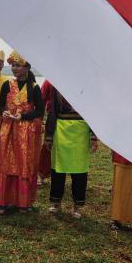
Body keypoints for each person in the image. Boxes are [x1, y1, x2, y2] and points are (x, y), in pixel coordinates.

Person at [0, 51, 44, 214]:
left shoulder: (35, 88)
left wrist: (22, 116)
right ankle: (3, 201)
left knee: (23, 164)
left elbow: (39, 112)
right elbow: (1, 106)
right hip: (8, 130)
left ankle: (23, 202)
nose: (14, 68)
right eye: (13, 65)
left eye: (18, 65)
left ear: (27, 67)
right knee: (6, 162)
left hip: (26, 132)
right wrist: (4, 112)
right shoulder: (7, 85)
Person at [45, 86, 98, 218]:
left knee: (79, 171)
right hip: (61, 129)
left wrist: (93, 136)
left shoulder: (88, 88)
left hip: (81, 131)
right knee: (58, 170)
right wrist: (49, 135)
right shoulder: (58, 86)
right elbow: (53, 112)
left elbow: (93, 113)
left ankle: (77, 206)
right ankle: (56, 202)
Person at [38, 80, 54, 186]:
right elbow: (41, 100)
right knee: (48, 146)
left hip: (75, 120)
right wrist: (39, 121)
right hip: (53, 117)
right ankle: (40, 174)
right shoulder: (50, 81)